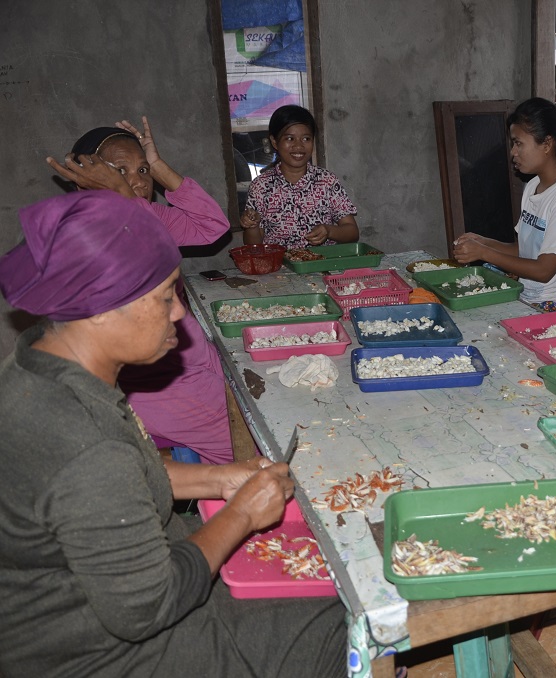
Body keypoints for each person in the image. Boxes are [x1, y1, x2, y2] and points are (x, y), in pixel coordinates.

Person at [0, 191, 346, 677]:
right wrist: (242, 514)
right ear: (101, 308)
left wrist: (221, 480)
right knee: (338, 622)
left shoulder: (38, 364)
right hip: (91, 654)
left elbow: (121, 477)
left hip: (72, 610)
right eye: (165, 298)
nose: (180, 314)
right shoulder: (83, 442)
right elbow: (148, 606)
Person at [45, 117, 237, 464]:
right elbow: (139, 261)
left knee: (261, 398)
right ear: (86, 181)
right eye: (120, 172)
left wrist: (159, 167)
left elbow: (211, 227)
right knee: (258, 438)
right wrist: (122, 196)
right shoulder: (81, 233)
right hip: (157, 385)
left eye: (142, 172)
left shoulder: (145, 213)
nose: (136, 182)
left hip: (193, 360)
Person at [452, 97, 556, 311]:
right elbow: (523, 249)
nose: (513, 152)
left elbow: (543, 270)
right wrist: (483, 242)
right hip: (531, 294)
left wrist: (483, 253)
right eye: (512, 144)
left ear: (547, 144)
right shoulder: (533, 186)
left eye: (518, 143)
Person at [240, 104, 359, 249]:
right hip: (279, 268)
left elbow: (352, 232)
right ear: (275, 142)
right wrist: (252, 224)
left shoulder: (326, 181)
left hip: (321, 264)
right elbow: (253, 245)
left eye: (306, 139)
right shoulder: (261, 186)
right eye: (290, 139)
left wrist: (329, 230)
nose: (298, 146)